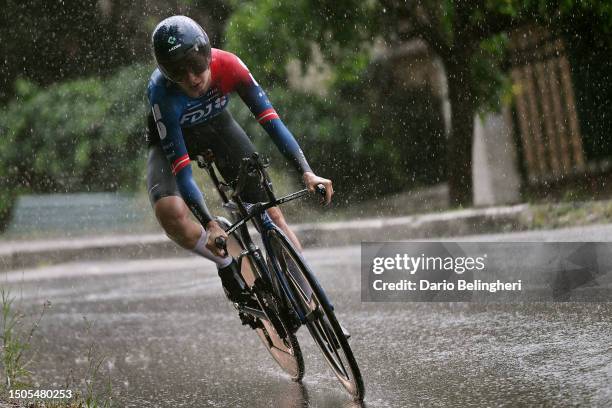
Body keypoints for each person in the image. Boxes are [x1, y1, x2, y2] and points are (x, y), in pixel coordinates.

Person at [146, 15, 333, 304]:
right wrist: (209, 223)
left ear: (207, 53)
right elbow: (183, 174)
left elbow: (272, 123)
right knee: (169, 211)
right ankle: (225, 263)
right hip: (173, 139)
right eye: (179, 73)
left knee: (270, 214)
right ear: (168, 75)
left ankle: (313, 302)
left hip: (218, 127)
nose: (192, 79)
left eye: (196, 66)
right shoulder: (162, 93)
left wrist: (307, 172)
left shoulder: (229, 65)